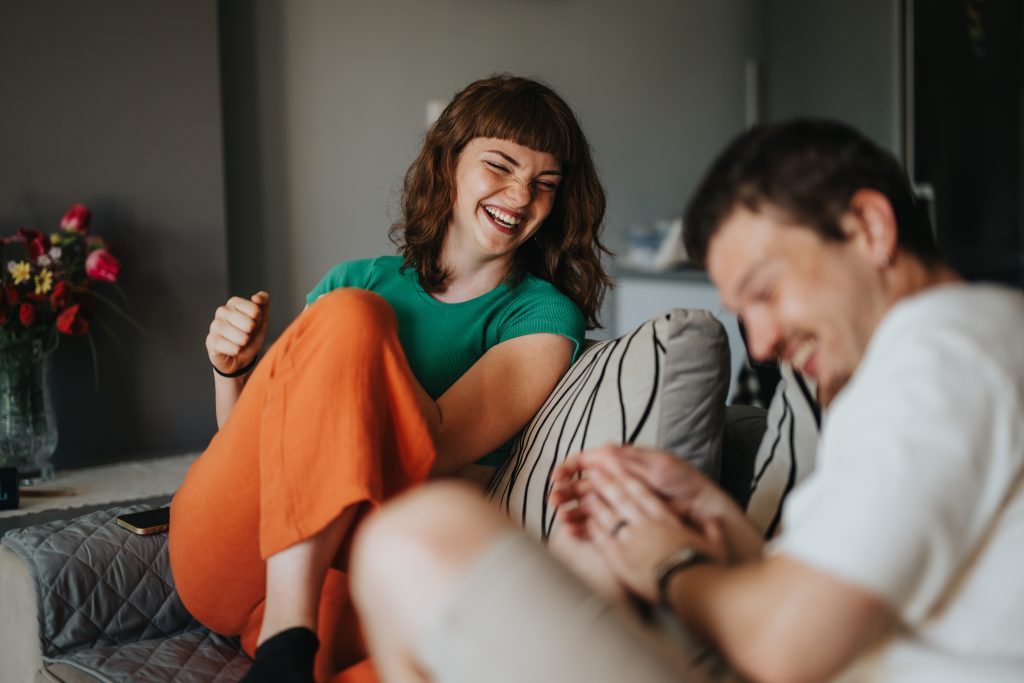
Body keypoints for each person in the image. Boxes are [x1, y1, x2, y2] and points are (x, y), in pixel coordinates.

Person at [348, 119, 1024, 683]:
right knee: (560, 549)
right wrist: (713, 519)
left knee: (413, 539)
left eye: (766, 291)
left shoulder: (945, 352)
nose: (761, 341)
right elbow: (828, 596)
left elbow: (784, 646)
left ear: (869, 227)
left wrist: (669, 562)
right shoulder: (937, 360)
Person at [168, 74, 612, 683]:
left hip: (355, 590)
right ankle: (286, 642)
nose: (520, 195)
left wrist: (355, 360)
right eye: (500, 165)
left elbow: (430, 449)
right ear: (450, 162)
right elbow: (256, 453)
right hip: (229, 552)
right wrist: (234, 371)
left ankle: (283, 650)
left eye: (545, 183)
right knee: (352, 313)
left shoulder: (542, 317)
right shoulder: (355, 281)